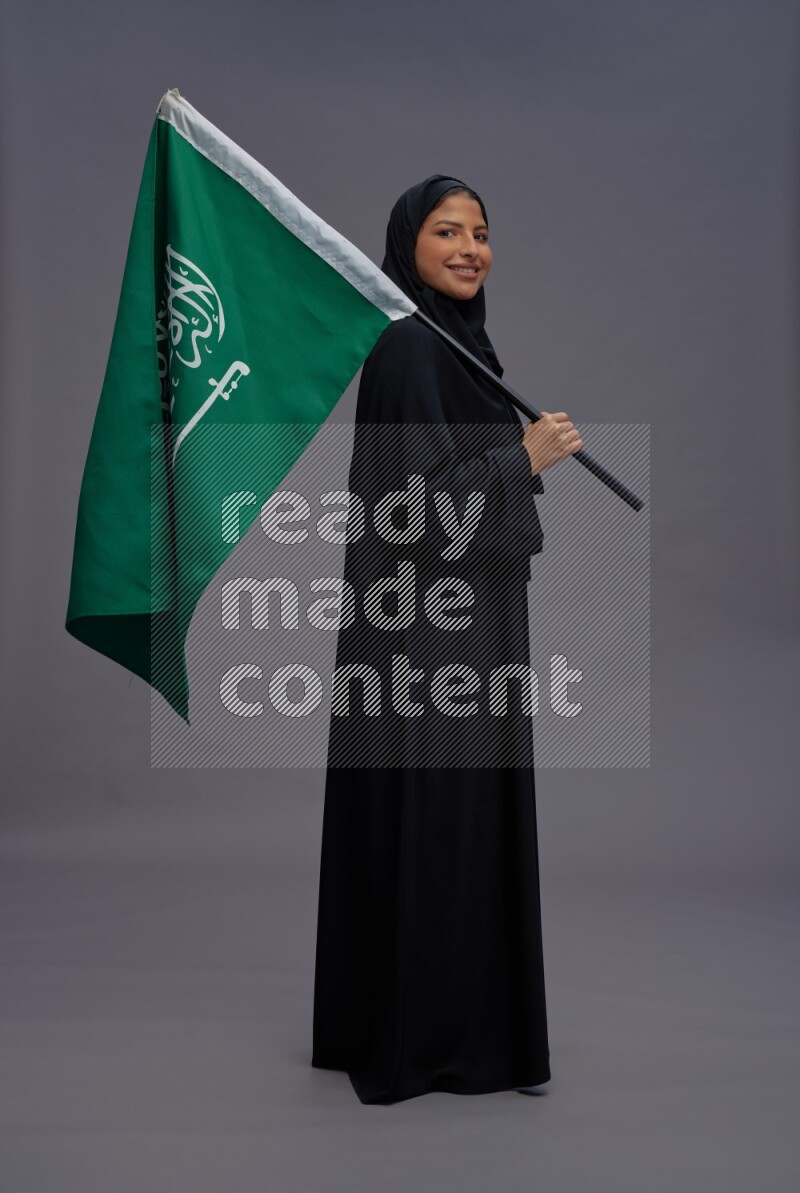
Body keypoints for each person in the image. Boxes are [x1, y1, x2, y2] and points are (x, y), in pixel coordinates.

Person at [311, 175, 583, 1104]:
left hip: (467, 627)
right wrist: (525, 458)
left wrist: (510, 458)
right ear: (407, 243)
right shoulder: (406, 351)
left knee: (459, 822)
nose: (470, 247)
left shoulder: (457, 346)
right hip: (426, 641)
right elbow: (409, 516)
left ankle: (450, 1022)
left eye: (481, 231)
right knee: (438, 822)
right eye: (446, 231)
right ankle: (426, 1040)